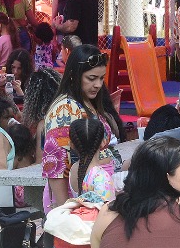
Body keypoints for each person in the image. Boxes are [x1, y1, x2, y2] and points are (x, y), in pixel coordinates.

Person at [42, 44, 123, 213]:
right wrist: (64, 211)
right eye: (91, 78)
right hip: (75, 205)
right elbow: (56, 165)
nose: (98, 84)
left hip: (92, 197)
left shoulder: (86, 101)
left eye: (101, 78)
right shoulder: (64, 109)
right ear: (74, 75)